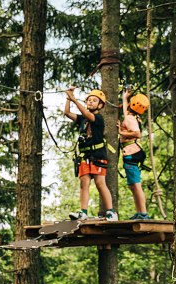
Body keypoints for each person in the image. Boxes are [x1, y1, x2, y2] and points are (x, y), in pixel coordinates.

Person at [64, 87, 118, 221]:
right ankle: (83, 212)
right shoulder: (83, 119)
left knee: (100, 183)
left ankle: (111, 212)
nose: (91, 102)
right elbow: (67, 113)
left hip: (98, 155)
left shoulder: (98, 118)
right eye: (89, 100)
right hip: (85, 156)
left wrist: (74, 99)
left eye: (94, 101)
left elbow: (88, 115)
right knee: (84, 182)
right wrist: (68, 98)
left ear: (100, 105)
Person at [118, 90, 150, 220]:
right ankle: (140, 212)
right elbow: (126, 112)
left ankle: (143, 213)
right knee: (133, 185)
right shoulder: (131, 117)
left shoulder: (130, 119)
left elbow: (137, 134)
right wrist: (125, 98)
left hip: (131, 153)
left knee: (136, 185)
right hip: (132, 153)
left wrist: (121, 132)